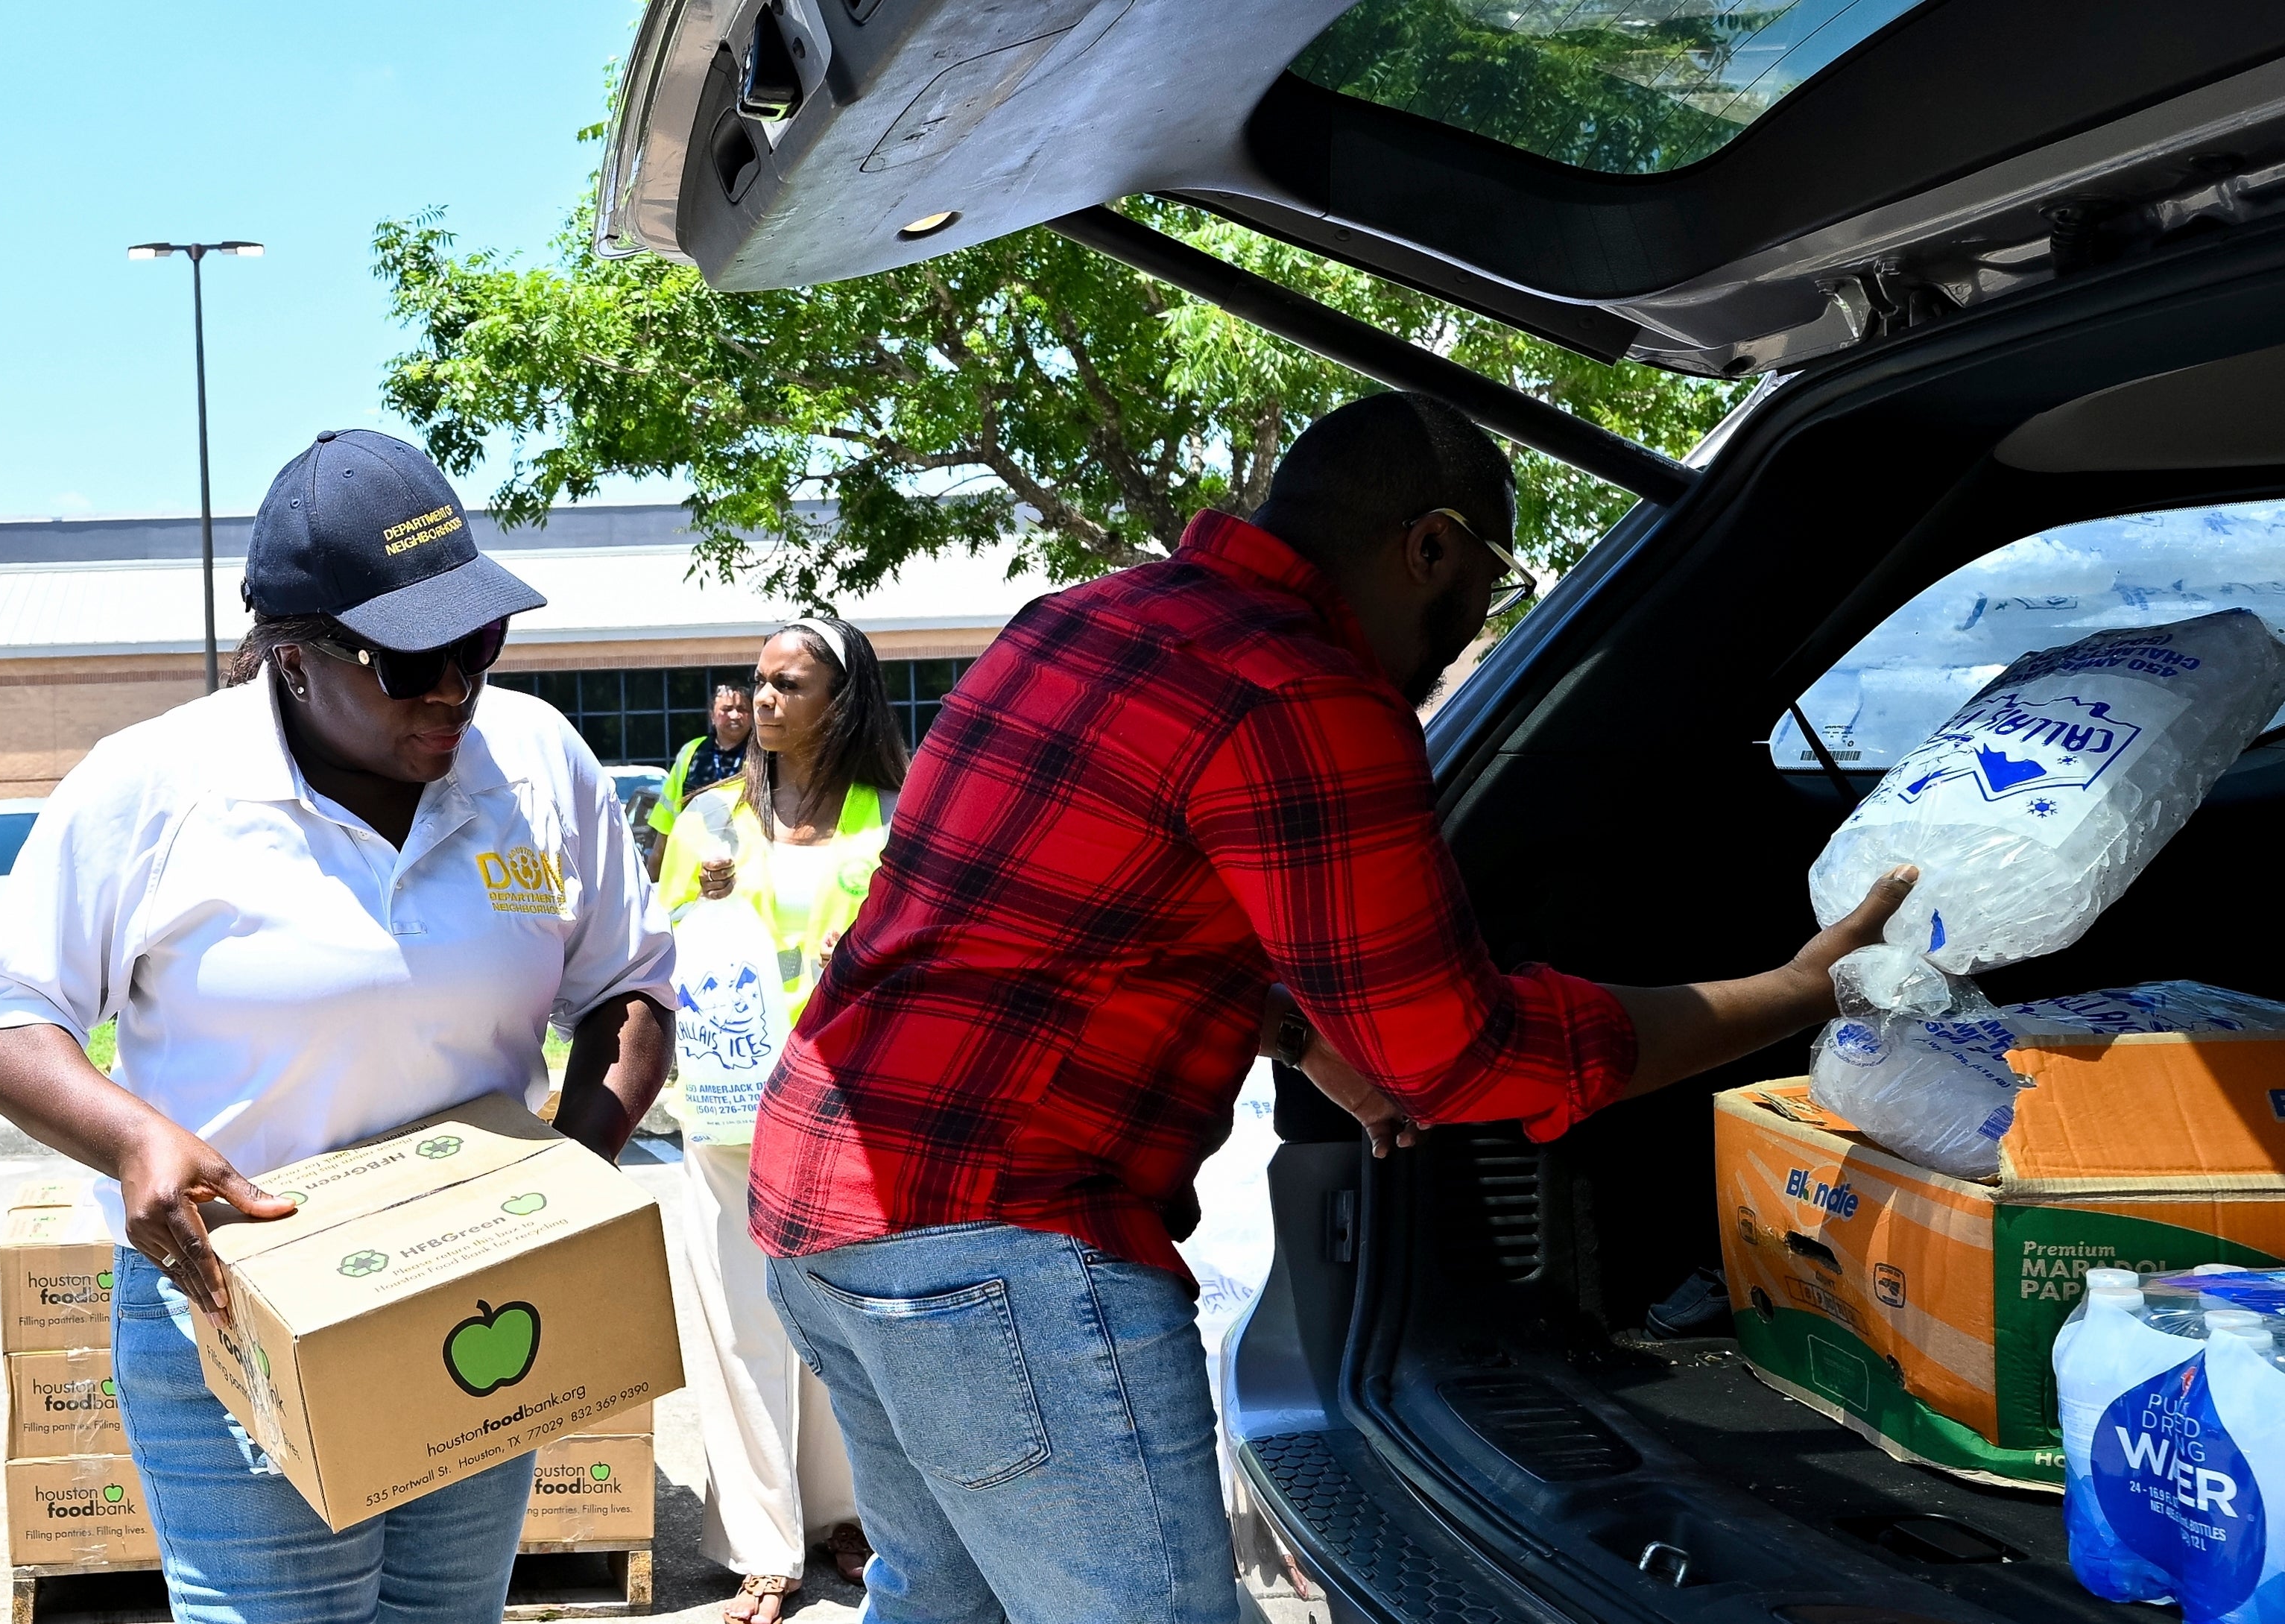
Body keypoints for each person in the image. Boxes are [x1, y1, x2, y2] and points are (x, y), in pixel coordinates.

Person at [746, 393, 1917, 1624]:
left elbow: (1063, 913)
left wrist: (1303, 1031)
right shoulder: (1304, 692)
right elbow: (1461, 1057)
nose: (1469, 625)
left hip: (825, 1207)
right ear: (1432, 546)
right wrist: (1790, 990)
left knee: (942, 1602)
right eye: (1485, 584)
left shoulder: (1085, 616)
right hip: (998, 1240)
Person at [0, 429, 677, 1624]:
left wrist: (567, 1179)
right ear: (292, 655)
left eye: (479, 643)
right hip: (238, 1305)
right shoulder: (157, 786)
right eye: (409, 661)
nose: (455, 688)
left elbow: (629, 987)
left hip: (478, 1293)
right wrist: (134, 1139)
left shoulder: (535, 762)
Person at [654, 615, 907, 1623]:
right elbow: (659, 954)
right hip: (725, 1112)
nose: (762, 699)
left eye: (788, 682)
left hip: (850, 1110)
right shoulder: (707, 820)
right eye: (756, 681)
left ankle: (847, 1510)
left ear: (838, 700)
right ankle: (763, 1542)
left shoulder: (892, 817)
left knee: (842, 1325)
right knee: (741, 1322)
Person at [645, 681, 754, 880]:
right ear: (712, 716)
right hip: (692, 874)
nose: (735, 715)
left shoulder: (765, 756)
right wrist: (653, 878)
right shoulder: (691, 753)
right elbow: (666, 823)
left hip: (746, 871)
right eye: (727, 709)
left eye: (742, 709)